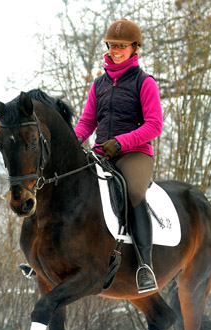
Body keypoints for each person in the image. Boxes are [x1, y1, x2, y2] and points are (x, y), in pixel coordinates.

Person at [75, 19, 163, 293]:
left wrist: (121, 142)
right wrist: (72, 142)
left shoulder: (144, 82)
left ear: (134, 48)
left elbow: (154, 125)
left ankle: (144, 266)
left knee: (133, 191)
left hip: (135, 154)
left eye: (122, 46)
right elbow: (88, 122)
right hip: (102, 152)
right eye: (112, 46)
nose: (116, 51)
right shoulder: (98, 84)